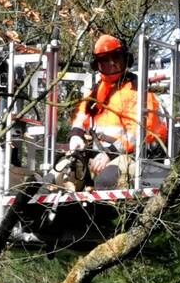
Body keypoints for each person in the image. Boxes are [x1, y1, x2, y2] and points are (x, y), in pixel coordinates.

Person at [67, 34, 168, 189]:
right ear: (97, 64)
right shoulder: (95, 92)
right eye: (105, 60)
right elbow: (82, 116)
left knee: (106, 181)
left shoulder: (139, 92)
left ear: (125, 59)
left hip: (131, 157)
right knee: (60, 176)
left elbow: (138, 133)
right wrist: (76, 134)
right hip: (97, 156)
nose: (112, 63)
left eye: (116, 57)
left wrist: (110, 153)